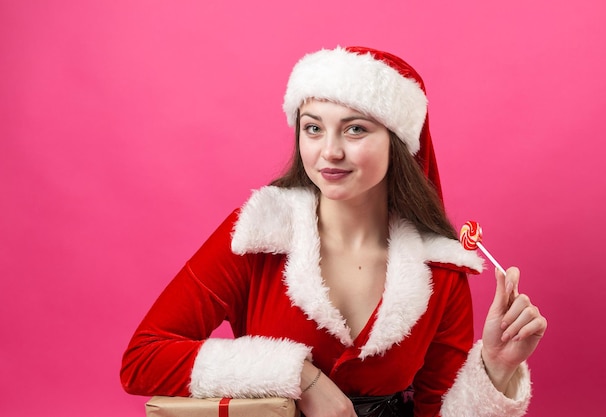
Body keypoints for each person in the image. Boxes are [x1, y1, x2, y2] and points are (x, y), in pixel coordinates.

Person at [120, 46, 547, 417]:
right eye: (313, 127)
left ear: (398, 141)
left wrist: (494, 367)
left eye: (356, 128)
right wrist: (299, 378)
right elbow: (143, 359)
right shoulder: (256, 235)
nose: (330, 151)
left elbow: (435, 410)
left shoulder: (441, 270)